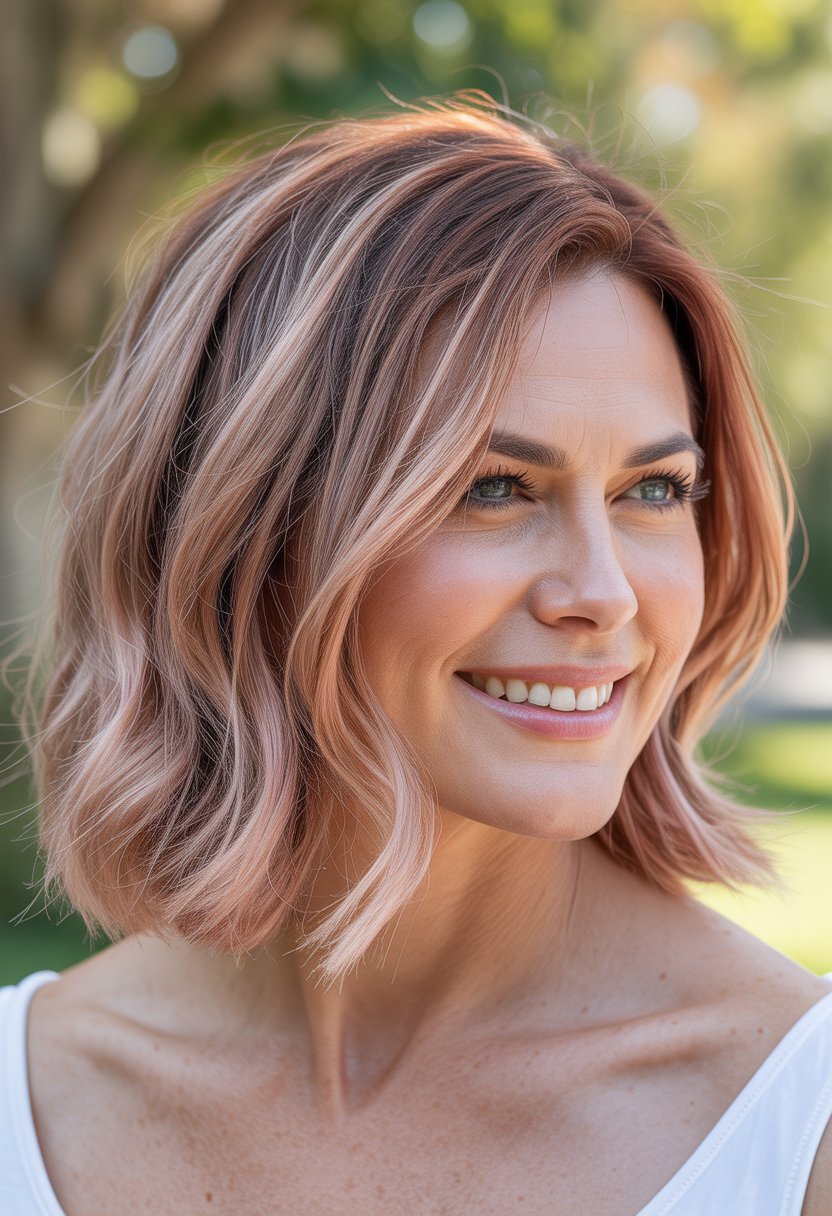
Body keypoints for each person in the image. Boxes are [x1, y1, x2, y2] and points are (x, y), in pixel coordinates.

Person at [1, 94, 830, 1216]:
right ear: (244, 534)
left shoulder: (795, 1121)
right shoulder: (30, 1099)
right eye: (493, 488)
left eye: (653, 490)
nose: (601, 591)